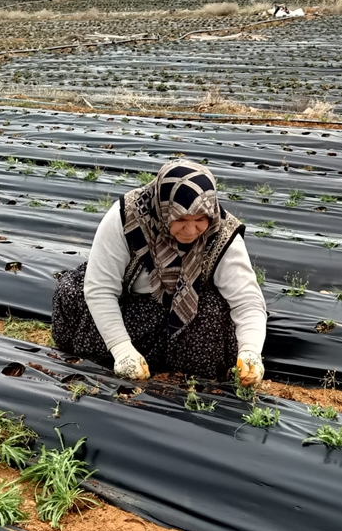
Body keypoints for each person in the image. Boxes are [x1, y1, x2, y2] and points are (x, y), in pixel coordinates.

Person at [52, 161, 266, 386]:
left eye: (200, 220)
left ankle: (172, 361)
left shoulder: (222, 232)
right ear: (162, 210)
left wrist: (250, 351)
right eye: (180, 219)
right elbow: (100, 288)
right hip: (129, 303)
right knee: (71, 292)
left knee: (214, 317)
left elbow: (247, 300)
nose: (190, 230)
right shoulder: (127, 217)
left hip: (187, 309)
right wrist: (121, 348)